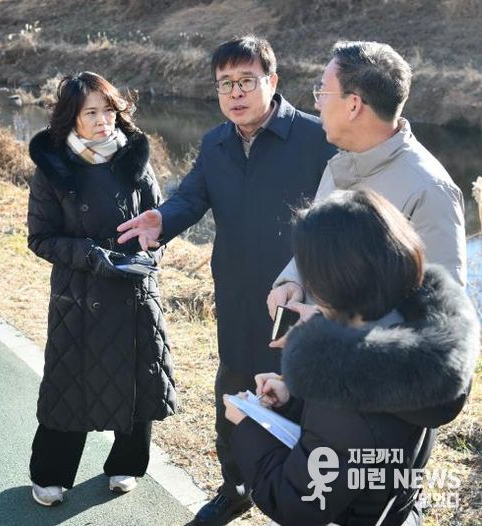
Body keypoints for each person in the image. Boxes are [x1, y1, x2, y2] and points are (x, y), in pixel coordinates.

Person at [117, 36, 336, 525]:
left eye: (246, 81)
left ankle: (304, 498)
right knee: (234, 393)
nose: (235, 93)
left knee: (298, 395)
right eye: (225, 84)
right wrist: (163, 219)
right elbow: (191, 197)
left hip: (299, 296)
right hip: (237, 294)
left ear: (272, 81)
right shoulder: (216, 142)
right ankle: (236, 488)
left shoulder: (316, 137)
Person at [225, 189, 479, 526]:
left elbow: (297, 503)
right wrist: (294, 396)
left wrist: (248, 428)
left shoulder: (349, 388)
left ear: (335, 282)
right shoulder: (413, 333)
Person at [26, 71, 176, 507]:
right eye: (90, 112)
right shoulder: (53, 168)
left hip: (134, 290)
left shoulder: (135, 159)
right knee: (67, 385)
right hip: (79, 292)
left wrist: (152, 252)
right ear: (70, 117)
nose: (102, 120)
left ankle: (126, 464)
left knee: (137, 378)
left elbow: (159, 222)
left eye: (108, 110)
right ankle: (51, 474)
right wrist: (92, 255)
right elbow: (41, 239)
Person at [268, 40, 466, 323]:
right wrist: (293, 281)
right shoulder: (341, 165)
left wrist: (331, 326)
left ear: (353, 105)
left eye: (322, 92)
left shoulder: (430, 191)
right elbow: (320, 251)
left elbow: (440, 318)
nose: (316, 103)